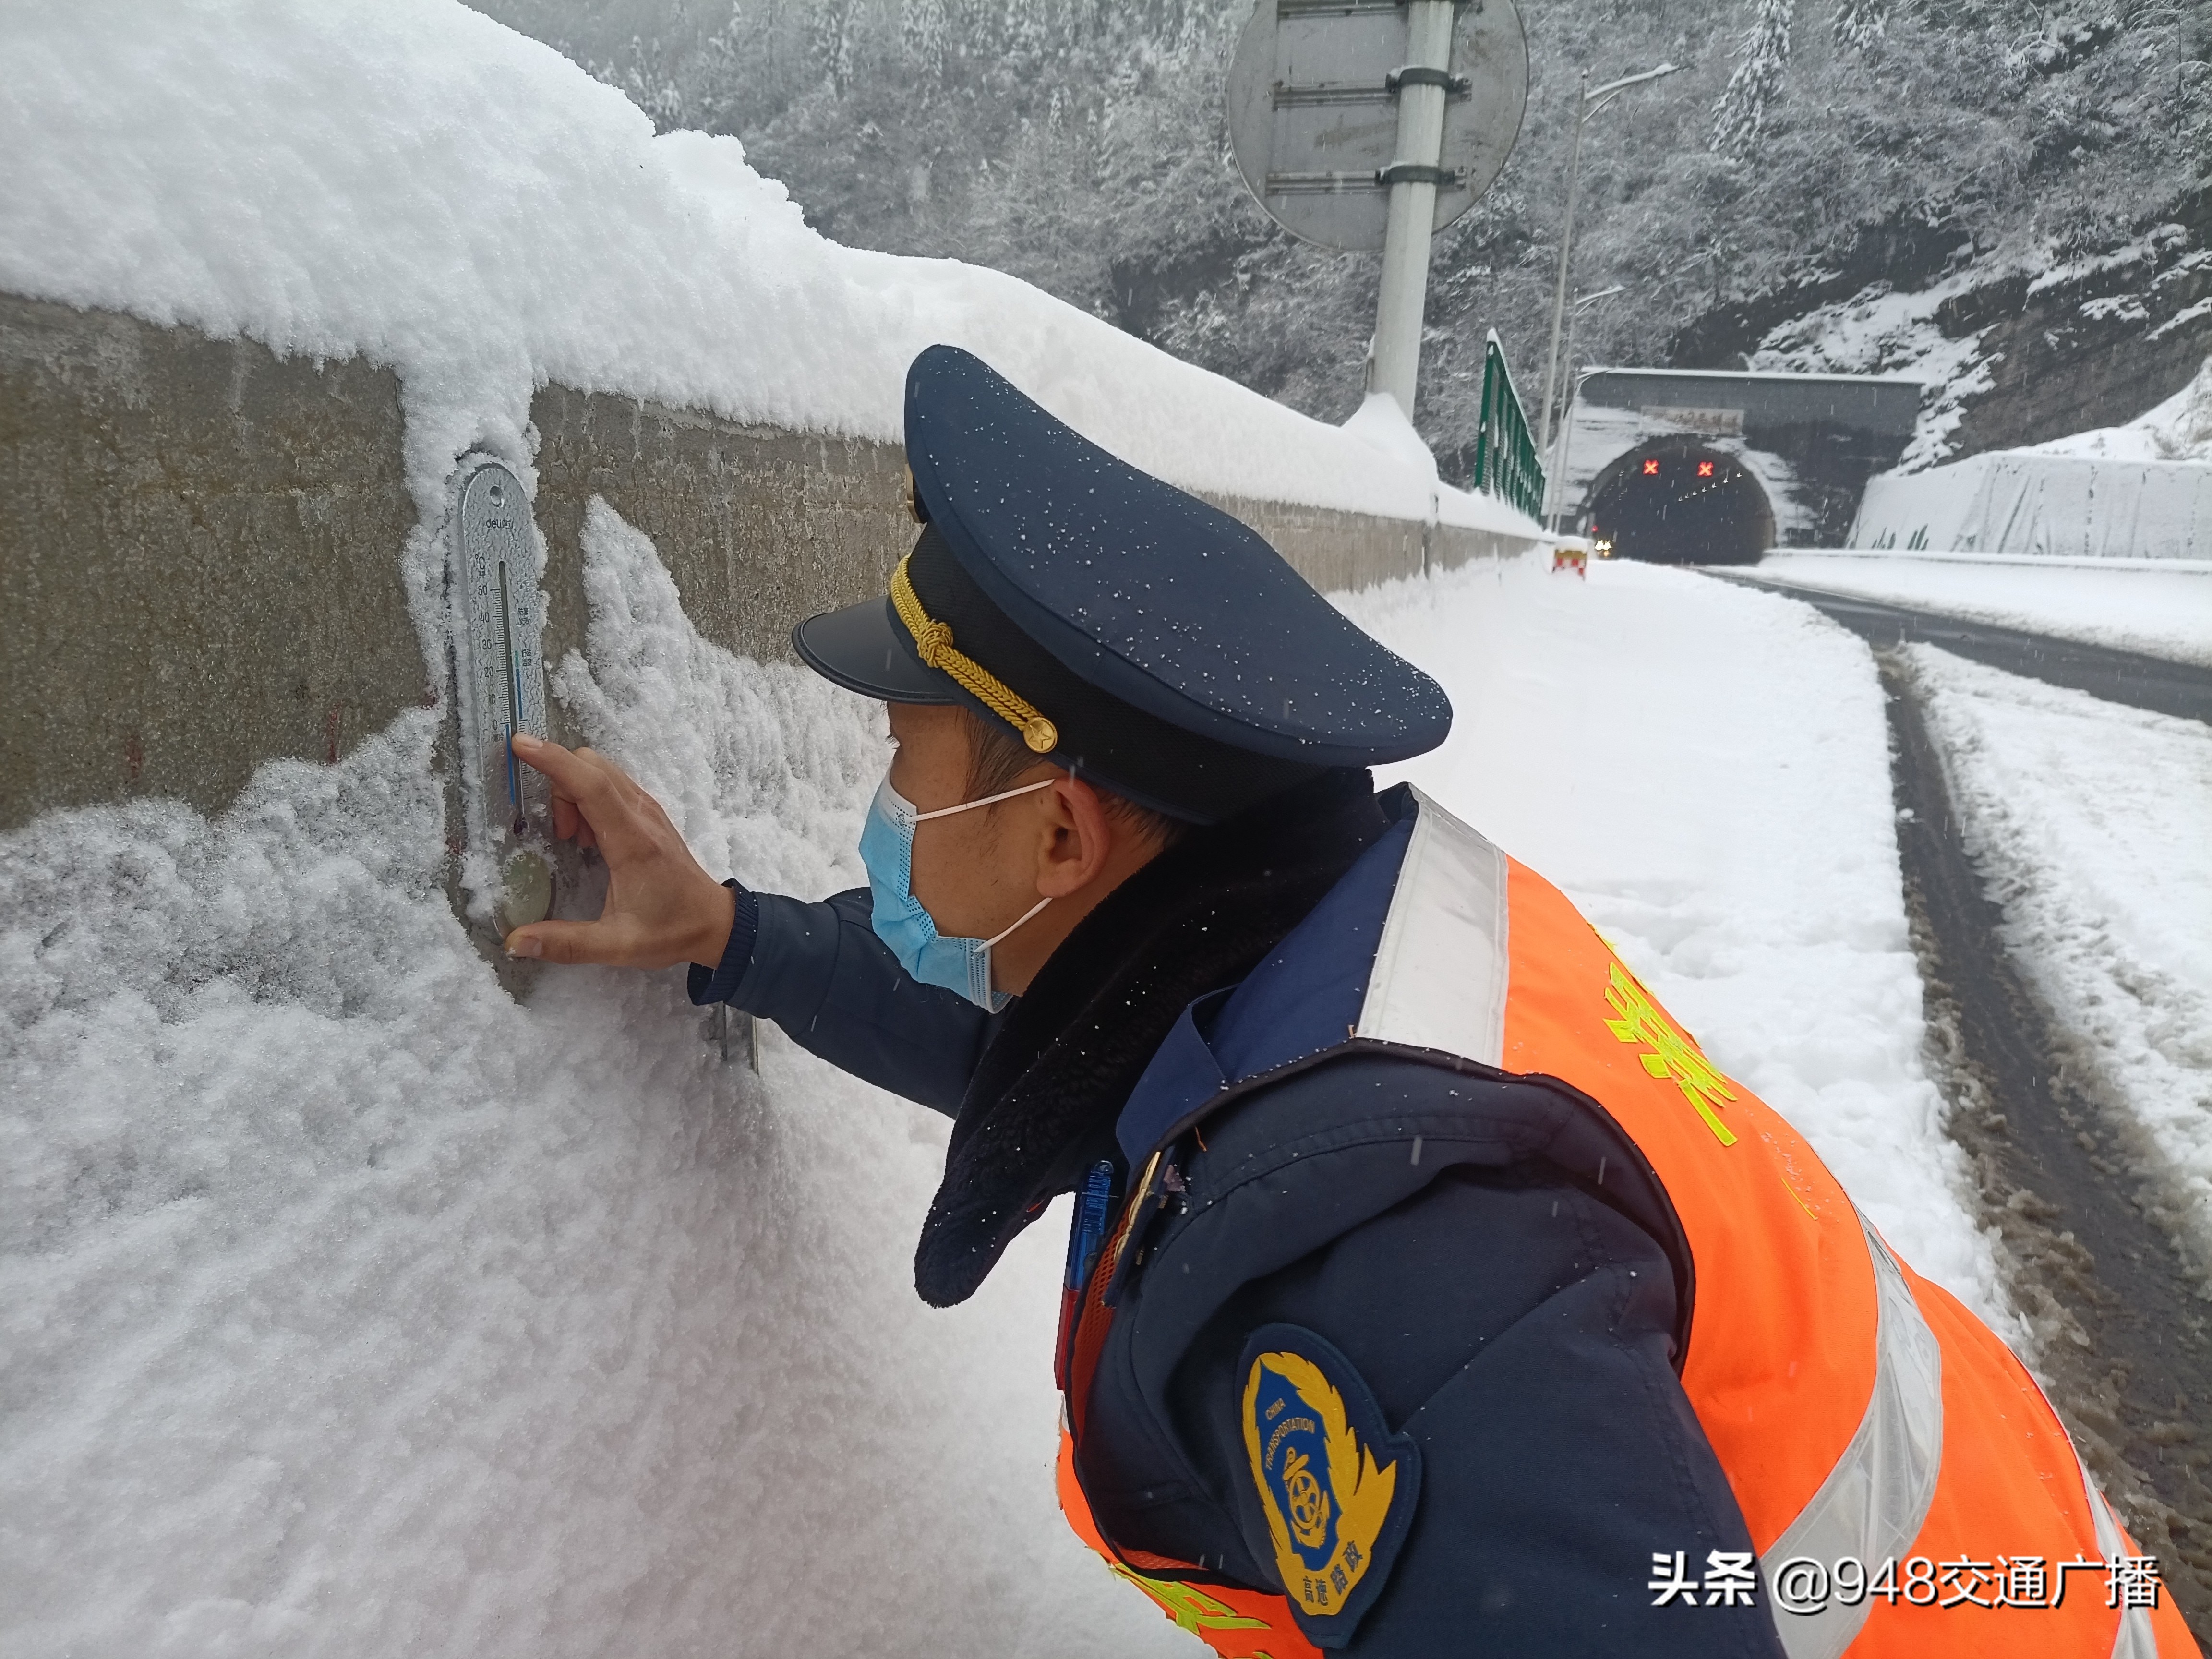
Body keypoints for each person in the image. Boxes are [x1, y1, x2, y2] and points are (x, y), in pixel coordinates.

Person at [503, 346, 2197, 1657]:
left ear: (1062, 828)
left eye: (904, 754)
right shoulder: (1320, 934)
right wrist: (732, 931)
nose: (882, 791)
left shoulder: (1373, 1269)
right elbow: (1062, 1057)